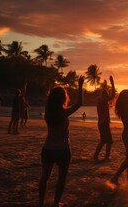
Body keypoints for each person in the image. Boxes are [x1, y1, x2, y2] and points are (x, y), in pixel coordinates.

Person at [39, 76, 85, 207]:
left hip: (48, 149)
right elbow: (79, 103)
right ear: (63, 99)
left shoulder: (48, 112)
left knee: (44, 177)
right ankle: (55, 203)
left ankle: (41, 203)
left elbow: (49, 98)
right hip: (62, 150)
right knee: (61, 178)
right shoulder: (63, 113)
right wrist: (80, 86)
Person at [93, 76, 116, 162]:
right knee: (109, 141)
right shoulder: (102, 101)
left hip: (102, 123)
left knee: (104, 141)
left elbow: (111, 96)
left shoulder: (101, 101)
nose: (107, 97)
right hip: (103, 123)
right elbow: (113, 95)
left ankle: (97, 156)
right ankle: (105, 157)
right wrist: (112, 83)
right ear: (103, 96)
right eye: (106, 95)